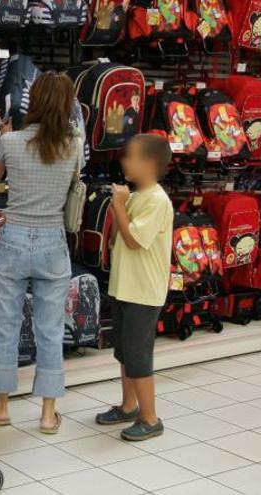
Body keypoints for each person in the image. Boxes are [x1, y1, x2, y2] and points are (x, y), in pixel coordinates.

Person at [0, 72, 81, 435]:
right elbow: (72, 181)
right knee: (51, 330)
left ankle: (1, 404)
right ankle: (47, 413)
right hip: (52, 243)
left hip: (12, 240)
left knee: (5, 325)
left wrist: (3, 135)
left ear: (34, 102)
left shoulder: (11, 141)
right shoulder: (73, 146)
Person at [96, 134, 174, 442]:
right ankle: (129, 405)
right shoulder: (137, 196)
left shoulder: (156, 200)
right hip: (125, 287)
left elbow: (133, 239)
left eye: (131, 157)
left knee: (139, 356)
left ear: (150, 164)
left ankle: (150, 417)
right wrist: (122, 206)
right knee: (125, 352)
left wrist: (118, 205)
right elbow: (119, 238)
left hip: (143, 292)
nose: (124, 162)